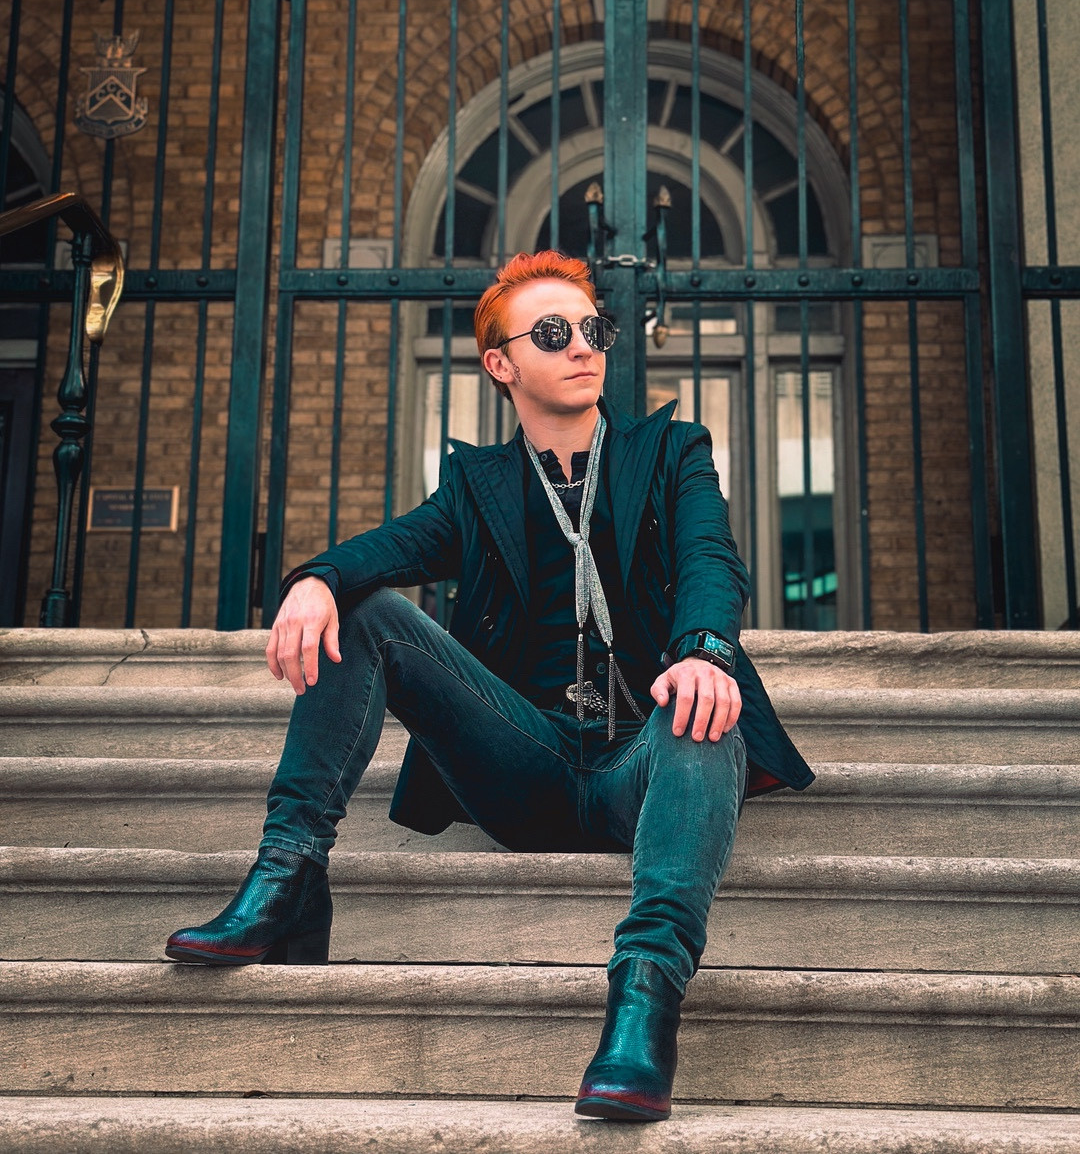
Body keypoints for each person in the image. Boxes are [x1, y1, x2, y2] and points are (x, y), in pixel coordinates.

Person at [165, 249, 814, 1121]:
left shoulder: (668, 452)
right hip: (530, 763)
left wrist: (703, 650)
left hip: (647, 765)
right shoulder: (479, 486)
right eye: (554, 332)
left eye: (595, 329)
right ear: (500, 363)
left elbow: (710, 559)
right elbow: (389, 550)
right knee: (365, 610)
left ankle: (644, 1004)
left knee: (704, 716)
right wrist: (314, 581)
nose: (583, 345)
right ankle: (287, 878)